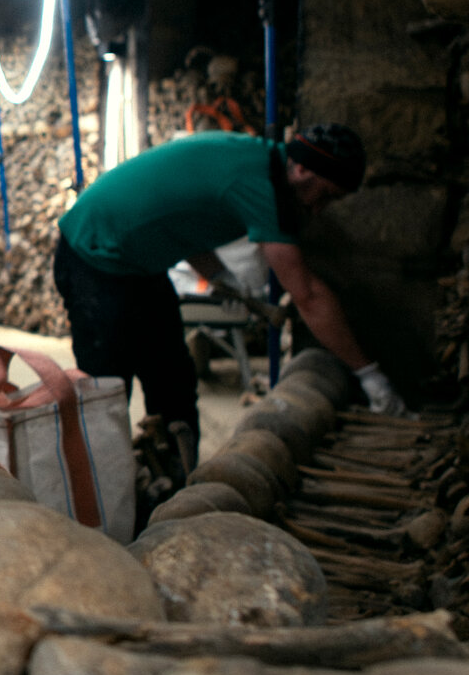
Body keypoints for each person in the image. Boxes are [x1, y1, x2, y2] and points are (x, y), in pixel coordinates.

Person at [52, 122, 409, 467]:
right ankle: (99, 500)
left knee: (172, 379)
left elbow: (183, 221)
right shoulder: (263, 186)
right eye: (325, 196)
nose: (318, 210)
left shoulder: (259, 162)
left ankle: (173, 478)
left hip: (136, 262)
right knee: (106, 390)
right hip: (92, 255)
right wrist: (369, 374)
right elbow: (309, 295)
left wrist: (220, 278)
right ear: (302, 170)